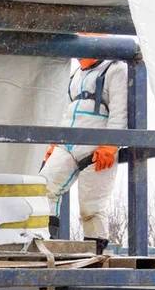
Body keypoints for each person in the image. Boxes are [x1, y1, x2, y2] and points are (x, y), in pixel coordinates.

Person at [40, 56, 128, 252]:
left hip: (97, 147)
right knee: (44, 187)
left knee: (92, 206)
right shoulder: (75, 74)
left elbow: (119, 110)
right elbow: (65, 111)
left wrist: (111, 144)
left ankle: (94, 253)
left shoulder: (115, 69)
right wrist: (55, 141)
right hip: (68, 143)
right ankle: (46, 244)